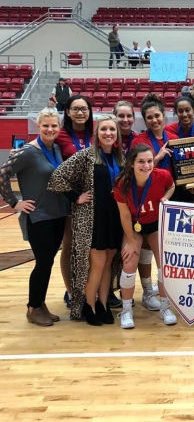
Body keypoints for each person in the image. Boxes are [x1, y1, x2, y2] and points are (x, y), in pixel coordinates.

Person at [48, 115, 125, 324]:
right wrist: (76, 197)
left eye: (112, 129)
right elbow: (57, 177)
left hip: (114, 217)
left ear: (117, 134)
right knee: (97, 264)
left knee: (108, 262)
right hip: (93, 219)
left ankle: (103, 304)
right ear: (97, 134)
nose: (108, 133)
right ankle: (88, 306)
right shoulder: (86, 156)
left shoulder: (121, 158)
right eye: (104, 129)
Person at [0, 107, 70, 326]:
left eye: (54, 125)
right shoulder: (28, 151)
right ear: (38, 126)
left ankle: (40, 304)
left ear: (59, 127)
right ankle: (33, 307)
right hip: (38, 215)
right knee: (43, 262)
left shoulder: (56, 149)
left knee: (47, 262)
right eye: (45, 125)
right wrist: (15, 202)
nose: (50, 129)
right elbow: (3, 173)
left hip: (57, 213)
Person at [114, 144, 176, 328]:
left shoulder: (162, 175)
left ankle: (165, 307)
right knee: (129, 263)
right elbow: (124, 215)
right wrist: (130, 241)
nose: (147, 165)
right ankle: (126, 310)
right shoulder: (122, 183)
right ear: (132, 163)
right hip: (135, 226)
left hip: (156, 224)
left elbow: (172, 186)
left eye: (150, 161)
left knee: (165, 264)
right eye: (141, 161)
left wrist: (166, 196)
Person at [55, 95, 95, 309]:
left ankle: (90, 289)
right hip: (70, 199)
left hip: (93, 198)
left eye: (84, 109)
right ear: (68, 112)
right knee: (70, 246)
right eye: (75, 109)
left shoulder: (95, 133)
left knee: (91, 247)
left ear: (89, 112)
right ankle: (71, 291)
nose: (80, 113)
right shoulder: (59, 135)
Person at [164, 97, 194, 204]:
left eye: (187, 110)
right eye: (180, 111)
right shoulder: (168, 131)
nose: (184, 114)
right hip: (174, 185)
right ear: (176, 113)